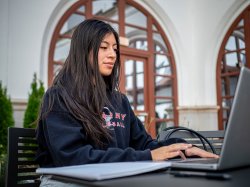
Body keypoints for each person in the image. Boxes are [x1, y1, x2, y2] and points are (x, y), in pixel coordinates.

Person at [36, 19, 218, 186]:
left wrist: (183, 148)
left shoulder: (119, 100)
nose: (112, 55)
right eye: (103, 47)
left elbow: (144, 144)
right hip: (66, 181)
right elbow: (73, 158)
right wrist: (148, 157)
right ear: (83, 50)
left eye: (115, 49)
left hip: (113, 178)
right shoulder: (59, 97)